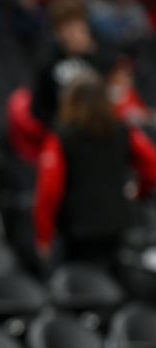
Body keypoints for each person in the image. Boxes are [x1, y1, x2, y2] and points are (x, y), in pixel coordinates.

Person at [33, 72, 156, 263]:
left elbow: (48, 191)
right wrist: (139, 192)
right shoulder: (122, 131)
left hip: (78, 230)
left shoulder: (62, 137)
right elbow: (152, 166)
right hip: (116, 224)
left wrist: (43, 236)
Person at [30, 0, 117, 128]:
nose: (76, 34)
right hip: (68, 129)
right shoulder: (47, 61)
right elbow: (39, 108)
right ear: (57, 33)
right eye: (69, 29)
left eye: (80, 27)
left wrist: (90, 54)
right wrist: (60, 126)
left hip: (101, 124)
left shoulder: (99, 49)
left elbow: (112, 84)